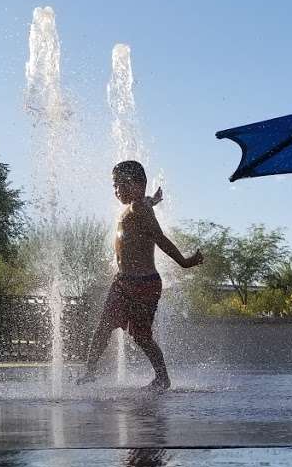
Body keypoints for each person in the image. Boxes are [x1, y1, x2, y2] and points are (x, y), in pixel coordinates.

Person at [78, 161, 203, 390]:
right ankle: (90, 372)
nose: (118, 190)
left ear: (140, 184)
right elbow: (146, 204)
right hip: (126, 281)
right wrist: (152, 200)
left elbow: (159, 237)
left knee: (139, 335)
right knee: (107, 327)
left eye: (123, 184)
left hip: (141, 284)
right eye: (115, 185)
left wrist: (184, 262)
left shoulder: (139, 208)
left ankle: (160, 378)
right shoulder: (139, 206)